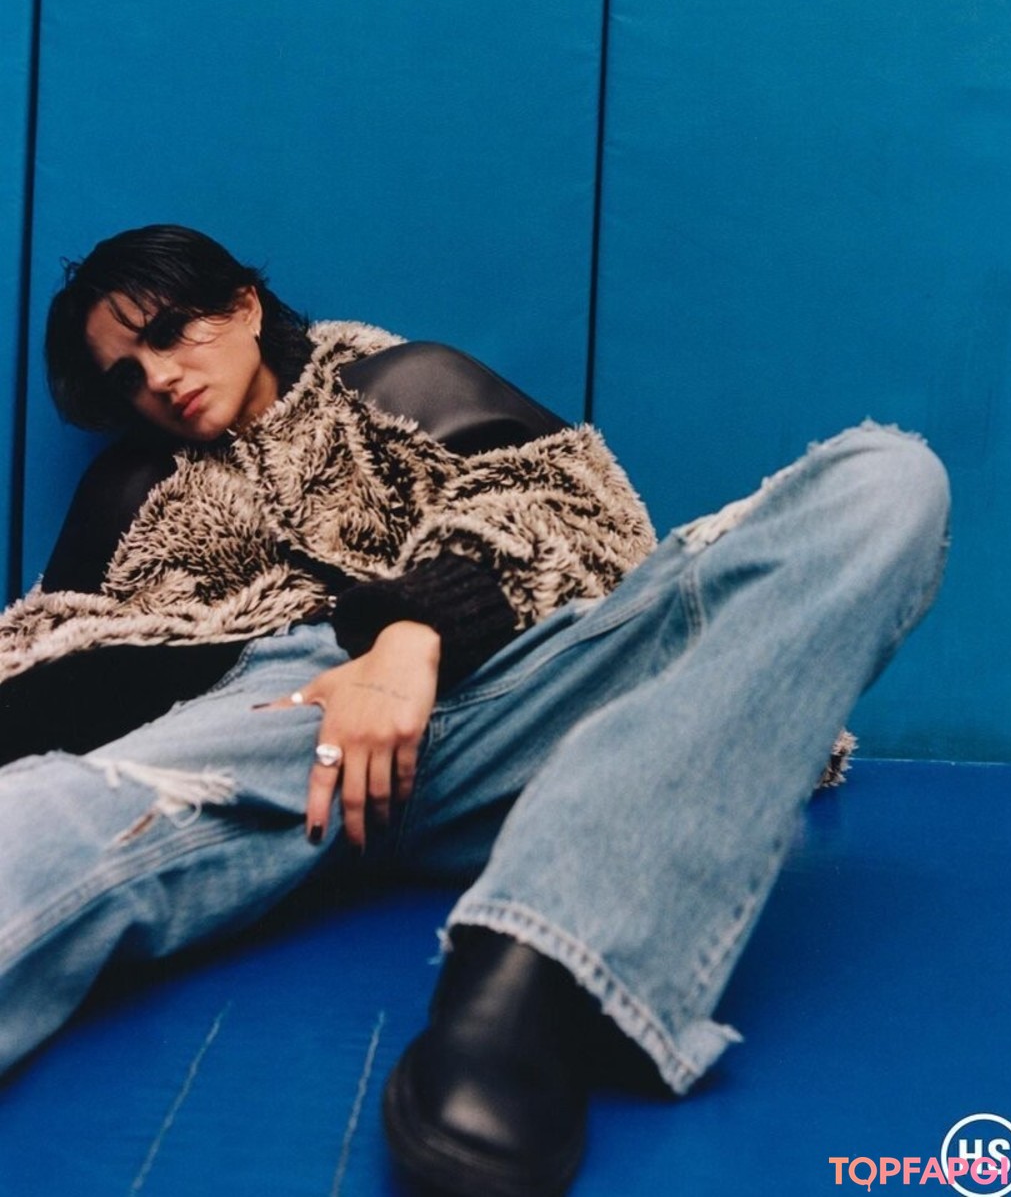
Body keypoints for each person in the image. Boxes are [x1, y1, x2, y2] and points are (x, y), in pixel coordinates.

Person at [0, 224, 949, 1197]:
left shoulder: (403, 386)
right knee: (54, 810)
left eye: (170, 331)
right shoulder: (135, 491)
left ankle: (541, 972)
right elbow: (54, 647)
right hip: (286, 733)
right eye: (126, 375)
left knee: (885, 480)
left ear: (243, 302)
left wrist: (414, 631)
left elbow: (579, 518)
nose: (158, 378)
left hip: (519, 705)